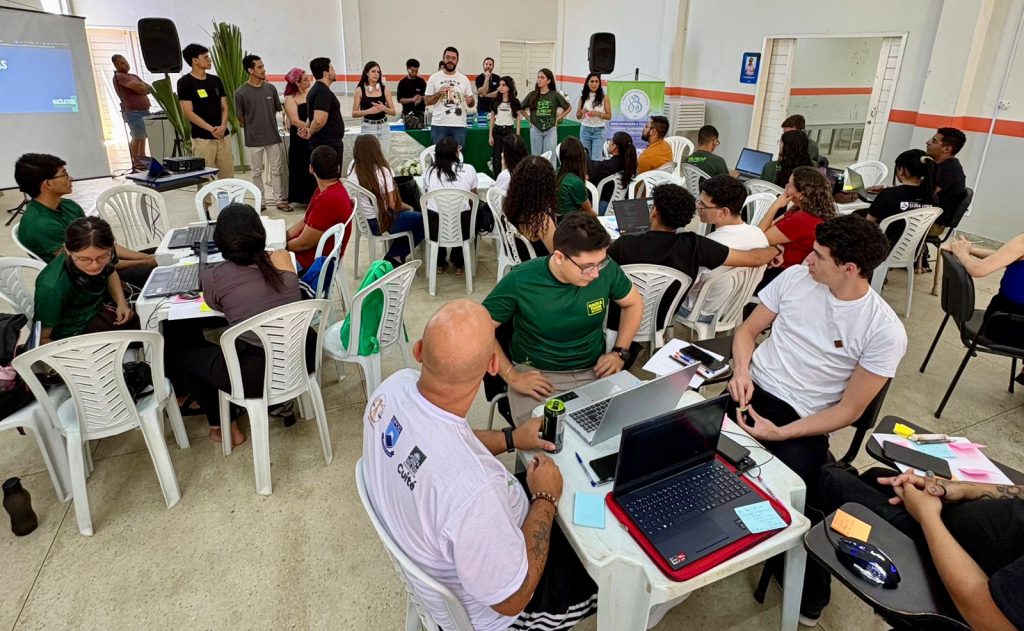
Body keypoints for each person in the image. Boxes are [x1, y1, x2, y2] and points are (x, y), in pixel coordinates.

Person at [362, 299, 598, 631]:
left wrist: (512, 438)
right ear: (492, 366)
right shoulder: (472, 491)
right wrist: (546, 499)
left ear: (418, 351)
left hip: (461, 536)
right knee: (611, 567)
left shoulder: (391, 389)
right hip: (506, 609)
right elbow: (512, 599)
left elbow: (445, 441)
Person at [727, 215, 907, 501]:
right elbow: (747, 330)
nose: (808, 259)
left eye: (819, 256)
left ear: (848, 268)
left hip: (803, 420)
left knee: (771, 498)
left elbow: (849, 410)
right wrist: (740, 372)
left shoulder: (883, 330)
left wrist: (782, 433)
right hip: (750, 390)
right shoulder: (795, 277)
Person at [801, 467, 1024, 629]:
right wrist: (964, 489)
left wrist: (927, 516)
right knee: (876, 477)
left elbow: (988, 617)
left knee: (830, 483)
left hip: (943, 565)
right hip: (951, 524)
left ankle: (809, 600)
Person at [174, 204, 315, 446]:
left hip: (254, 377)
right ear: (261, 234)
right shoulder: (281, 258)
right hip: (300, 358)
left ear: (220, 242)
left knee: (187, 356)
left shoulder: (214, 276)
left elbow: (217, 307)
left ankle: (223, 426)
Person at [483, 212, 643, 422]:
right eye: (587, 267)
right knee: (548, 445)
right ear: (559, 257)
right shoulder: (522, 279)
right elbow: (480, 328)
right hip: (538, 375)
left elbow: (634, 303)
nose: (596, 274)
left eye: (600, 263)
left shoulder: (607, 270)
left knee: (621, 435)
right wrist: (511, 375)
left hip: (593, 369)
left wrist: (620, 352)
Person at [607, 182, 779, 330]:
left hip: (621, 316)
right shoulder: (697, 245)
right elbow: (755, 259)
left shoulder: (624, 245)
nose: (700, 207)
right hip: (667, 314)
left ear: (654, 211)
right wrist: (776, 250)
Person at [14, 153, 156, 287]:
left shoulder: (68, 205)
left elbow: (104, 245)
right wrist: (145, 262)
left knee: (162, 253)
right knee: (160, 270)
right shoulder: (42, 225)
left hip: (104, 261)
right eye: (64, 174)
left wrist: (145, 257)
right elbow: (90, 264)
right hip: (91, 280)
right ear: (48, 184)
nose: (71, 178)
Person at [679, 175, 772, 321]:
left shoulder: (710, 245)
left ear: (724, 212)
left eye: (703, 205)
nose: (699, 208)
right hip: (733, 310)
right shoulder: (759, 236)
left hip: (698, 312)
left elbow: (685, 285)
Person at [34, 217, 137, 345]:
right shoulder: (52, 288)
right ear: (67, 250)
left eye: (102, 257)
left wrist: (122, 303)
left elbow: (110, 272)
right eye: (84, 259)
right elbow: (42, 338)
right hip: (78, 334)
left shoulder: (102, 251)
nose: (94, 265)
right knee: (155, 328)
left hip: (99, 308)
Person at [348, 134, 425, 264]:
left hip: (364, 221)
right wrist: (409, 207)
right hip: (381, 222)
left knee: (410, 218)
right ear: (377, 150)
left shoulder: (353, 167)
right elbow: (393, 205)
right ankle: (394, 256)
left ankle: (395, 255)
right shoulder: (382, 171)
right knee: (425, 220)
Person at [756, 165, 837, 289]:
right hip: (790, 270)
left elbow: (759, 237)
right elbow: (771, 228)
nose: (786, 188)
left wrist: (775, 206)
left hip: (784, 276)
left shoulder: (802, 219)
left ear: (801, 194)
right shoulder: (808, 211)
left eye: (789, 186)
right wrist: (778, 246)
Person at [946, 232, 1024, 356]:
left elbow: (979, 269)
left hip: (1005, 321)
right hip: (1008, 322)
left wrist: (963, 252)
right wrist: (966, 252)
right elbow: (980, 268)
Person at [422, 137, 486, 275]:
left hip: (436, 226)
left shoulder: (429, 171)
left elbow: (428, 199)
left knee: (432, 212)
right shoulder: (468, 169)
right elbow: (472, 199)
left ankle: (439, 262)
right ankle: (460, 262)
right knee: (475, 212)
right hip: (462, 226)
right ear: (456, 152)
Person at [235, 54, 290, 211]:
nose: (263, 70)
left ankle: (279, 200)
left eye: (263, 66)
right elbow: (240, 118)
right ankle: (261, 201)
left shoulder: (270, 88)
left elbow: (276, 110)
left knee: (276, 170)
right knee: (256, 172)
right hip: (253, 139)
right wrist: (254, 127)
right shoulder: (241, 93)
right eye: (259, 67)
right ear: (250, 70)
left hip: (272, 136)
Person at [285, 145, 352, 272]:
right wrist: (283, 237)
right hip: (310, 254)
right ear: (338, 168)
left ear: (311, 169)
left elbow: (304, 243)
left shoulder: (328, 199)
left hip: (313, 262)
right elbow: (305, 220)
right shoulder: (328, 189)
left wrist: (281, 247)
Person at [177, 43, 233, 178]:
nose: (209, 60)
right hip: (202, 137)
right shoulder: (185, 82)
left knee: (228, 175)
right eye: (205, 57)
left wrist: (223, 126)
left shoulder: (216, 80)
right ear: (195, 60)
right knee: (204, 177)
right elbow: (188, 112)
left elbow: (225, 106)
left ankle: (230, 199)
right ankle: (205, 200)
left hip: (222, 135)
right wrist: (211, 129)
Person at [865, 149, 936, 250]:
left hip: (882, 249)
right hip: (912, 250)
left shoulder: (888, 194)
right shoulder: (932, 197)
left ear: (901, 170)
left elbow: (868, 224)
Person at [502, 156, 558, 256]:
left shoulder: (513, 206)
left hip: (521, 259)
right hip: (541, 265)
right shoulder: (541, 220)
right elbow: (558, 255)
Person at [424, 46, 475, 146]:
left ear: (457, 60)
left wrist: (471, 101)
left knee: (458, 157)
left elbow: (471, 104)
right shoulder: (434, 78)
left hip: (459, 125)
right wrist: (439, 94)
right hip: (439, 124)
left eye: (453, 58)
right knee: (438, 157)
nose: (450, 60)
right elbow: (427, 101)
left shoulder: (464, 79)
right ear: (443, 58)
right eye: (447, 57)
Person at [299, 57, 345, 165]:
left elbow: (311, 117)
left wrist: (307, 128)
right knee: (329, 178)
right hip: (327, 145)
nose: (334, 71)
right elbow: (319, 120)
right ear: (326, 73)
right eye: (332, 69)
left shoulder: (317, 90)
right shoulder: (322, 92)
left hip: (325, 143)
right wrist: (310, 132)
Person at [283, 68, 317, 206]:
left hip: (313, 134)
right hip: (300, 138)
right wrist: (311, 127)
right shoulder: (291, 99)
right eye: (304, 79)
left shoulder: (313, 93)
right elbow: (295, 120)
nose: (308, 80)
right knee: (302, 165)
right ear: (297, 83)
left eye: (308, 77)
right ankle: (303, 197)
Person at [111, 54, 151, 171]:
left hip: (144, 110)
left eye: (126, 62)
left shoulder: (133, 75)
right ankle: (136, 161)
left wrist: (142, 88)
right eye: (122, 63)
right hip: (133, 112)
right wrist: (141, 88)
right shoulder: (119, 76)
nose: (126, 64)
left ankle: (142, 160)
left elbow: (148, 88)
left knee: (143, 136)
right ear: (115, 65)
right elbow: (138, 87)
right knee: (137, 136)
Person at [925, 126, 968, 232]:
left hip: (932, 223)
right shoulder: (938, 165)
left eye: (933, 141)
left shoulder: (949, 170)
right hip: (925, 217)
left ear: (946, 149)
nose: (927, 142)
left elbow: (924, 194)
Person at [521, 69, 569, 161]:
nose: (539, 79)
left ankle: (550, 175)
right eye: (538, 77)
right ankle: (536, 175)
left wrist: (558, 118)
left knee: (550, 158)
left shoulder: (554, 95)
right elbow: (521, 108)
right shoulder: (532, 95)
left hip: (550, 130)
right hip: (535, 129)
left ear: (549, 81)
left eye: (542, 77)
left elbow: (568, 108)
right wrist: (529, 119)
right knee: (536, 158)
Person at [352, 61, 396, 158]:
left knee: (384, 158)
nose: (376, 74)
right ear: (366, 73)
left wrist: (384, 108)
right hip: (368, 127)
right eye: (373, 71)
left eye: (378, 72)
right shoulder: (359, 90)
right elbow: (354, 113)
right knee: (369, 159)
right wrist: (369, 111)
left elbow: (393, 112)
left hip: (384, 127)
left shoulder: (385, 89)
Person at [588, 131, 637, 214]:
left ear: (614, 147)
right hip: (623, 208)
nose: (609, 143)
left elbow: (591, 188)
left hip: (603, 208)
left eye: (610, 141)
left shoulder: (604, 166)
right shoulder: (631, 166)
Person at [488, 76, 522, 177]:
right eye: (500, 85)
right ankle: (497, 178)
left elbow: (518, 119)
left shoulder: (515, 102)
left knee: (509, 157)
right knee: (497, 157)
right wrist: (490, 135)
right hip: (497, 131)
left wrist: (517, 135)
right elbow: (492, 118)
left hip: (509, 131)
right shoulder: (495, 101)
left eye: (503, 85)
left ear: (509, 87)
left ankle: (510, 178)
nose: (501, 87)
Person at [555, 137, 593, 215]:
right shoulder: (576, 182)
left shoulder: (557, 173)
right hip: (573, 223)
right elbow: (589, 212)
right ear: (580, 157)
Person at [576, 72, 610, 159]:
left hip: (599, 131)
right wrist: (582, 111)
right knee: (585, 158)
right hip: (585, 130)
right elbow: (578, 116)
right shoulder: (582, 97)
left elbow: (609, 116)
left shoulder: (604, 97)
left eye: (596, 81)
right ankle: (586, 173)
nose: (594, 84)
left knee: (596, 159)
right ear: (587, 83)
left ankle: (595, 173)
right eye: (592, 81)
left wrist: (598, 114)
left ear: (599, 83)